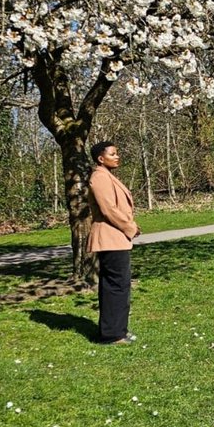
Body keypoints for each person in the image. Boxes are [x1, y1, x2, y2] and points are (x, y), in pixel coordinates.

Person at [87, 141, 140, 345]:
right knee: (115, 286)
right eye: (112, 154)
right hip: (110, 238)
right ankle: (112, 334)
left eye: (117, 153)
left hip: (116, 238)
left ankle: (118, 330)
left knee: (119, 285)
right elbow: (109, 209)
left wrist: (129, 226)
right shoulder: (99, 178)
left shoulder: (107, 176)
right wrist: (129, 227)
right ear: (101, 158)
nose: (117, 156)